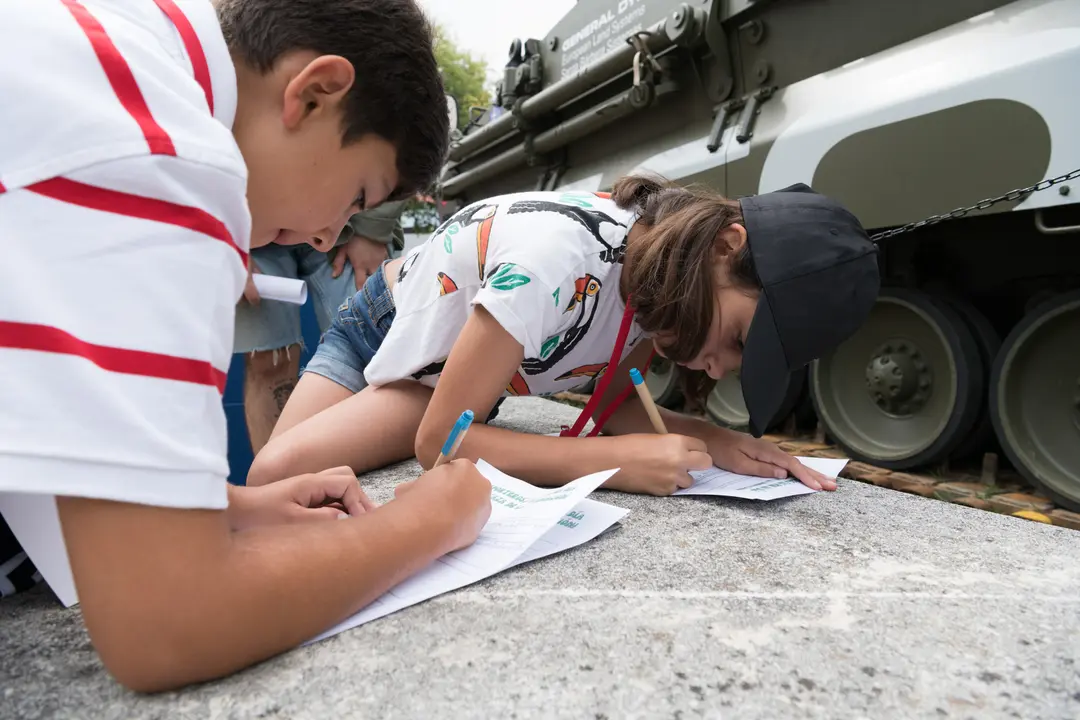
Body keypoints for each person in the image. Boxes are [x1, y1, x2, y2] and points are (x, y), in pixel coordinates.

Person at [0, 0, 491, 693]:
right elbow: (166, 624)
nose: (327, 236)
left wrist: (224, 506)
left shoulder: (102, 50)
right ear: (314, 94)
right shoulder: (163, 151)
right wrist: (428, 521)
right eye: (355, 196)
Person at [247, 177, 881, 493]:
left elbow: (615, 402)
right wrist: (612, 465)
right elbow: (442, 440)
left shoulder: (657, 285)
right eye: (740, 340)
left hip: (456, 373)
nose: (718, 371)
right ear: (724, 246)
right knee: (275, 475)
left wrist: (715, 440)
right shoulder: (561, 259)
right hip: (383, 332)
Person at [237, 200, 408, 453]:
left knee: (381, 353)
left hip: (351, 214)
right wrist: (227, 232)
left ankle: (385, 485)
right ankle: (276, 483)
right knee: (267, 362)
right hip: (253, 223)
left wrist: (374, 226)